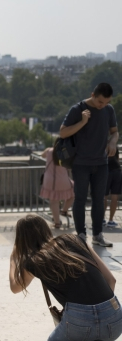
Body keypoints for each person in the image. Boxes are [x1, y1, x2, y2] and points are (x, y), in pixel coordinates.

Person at [9, 214, 121, 341]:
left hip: (79, 319)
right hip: (114, 317)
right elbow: (111, 280)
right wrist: (99, 309)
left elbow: (15, 288)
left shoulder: (34, 262)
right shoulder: (75, 240)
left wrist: (13, 260)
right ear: (46, 229)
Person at [60, 83, 118, 246]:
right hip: (81, 163)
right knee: (80, 200)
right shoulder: (77, 109)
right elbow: (63, 132)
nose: (103, 106)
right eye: (100, 102)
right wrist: (83, 122)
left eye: (106, 102)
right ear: (93, 95)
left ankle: (98, 235)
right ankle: (81, 235)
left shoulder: (109, 110)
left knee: (99, 200)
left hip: (101, 163)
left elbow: (115, 132)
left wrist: (113, 142)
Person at [40, 146, 74, 229]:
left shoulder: (49, 151)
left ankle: (57, 223)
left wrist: (48, 148)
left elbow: (42, 155)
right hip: (63, 179)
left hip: (49, 180)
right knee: (74, 193)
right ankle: (64, 210)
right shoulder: (65, 152)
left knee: (54, 201)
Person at [104, 148, 121, 227]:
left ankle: (101, 219)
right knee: (115, 196)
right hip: (117, 170)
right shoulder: (114, 145)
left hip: (105, 170)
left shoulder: (102, 143)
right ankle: (111, 220)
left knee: (104, 196)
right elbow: (117, 158)